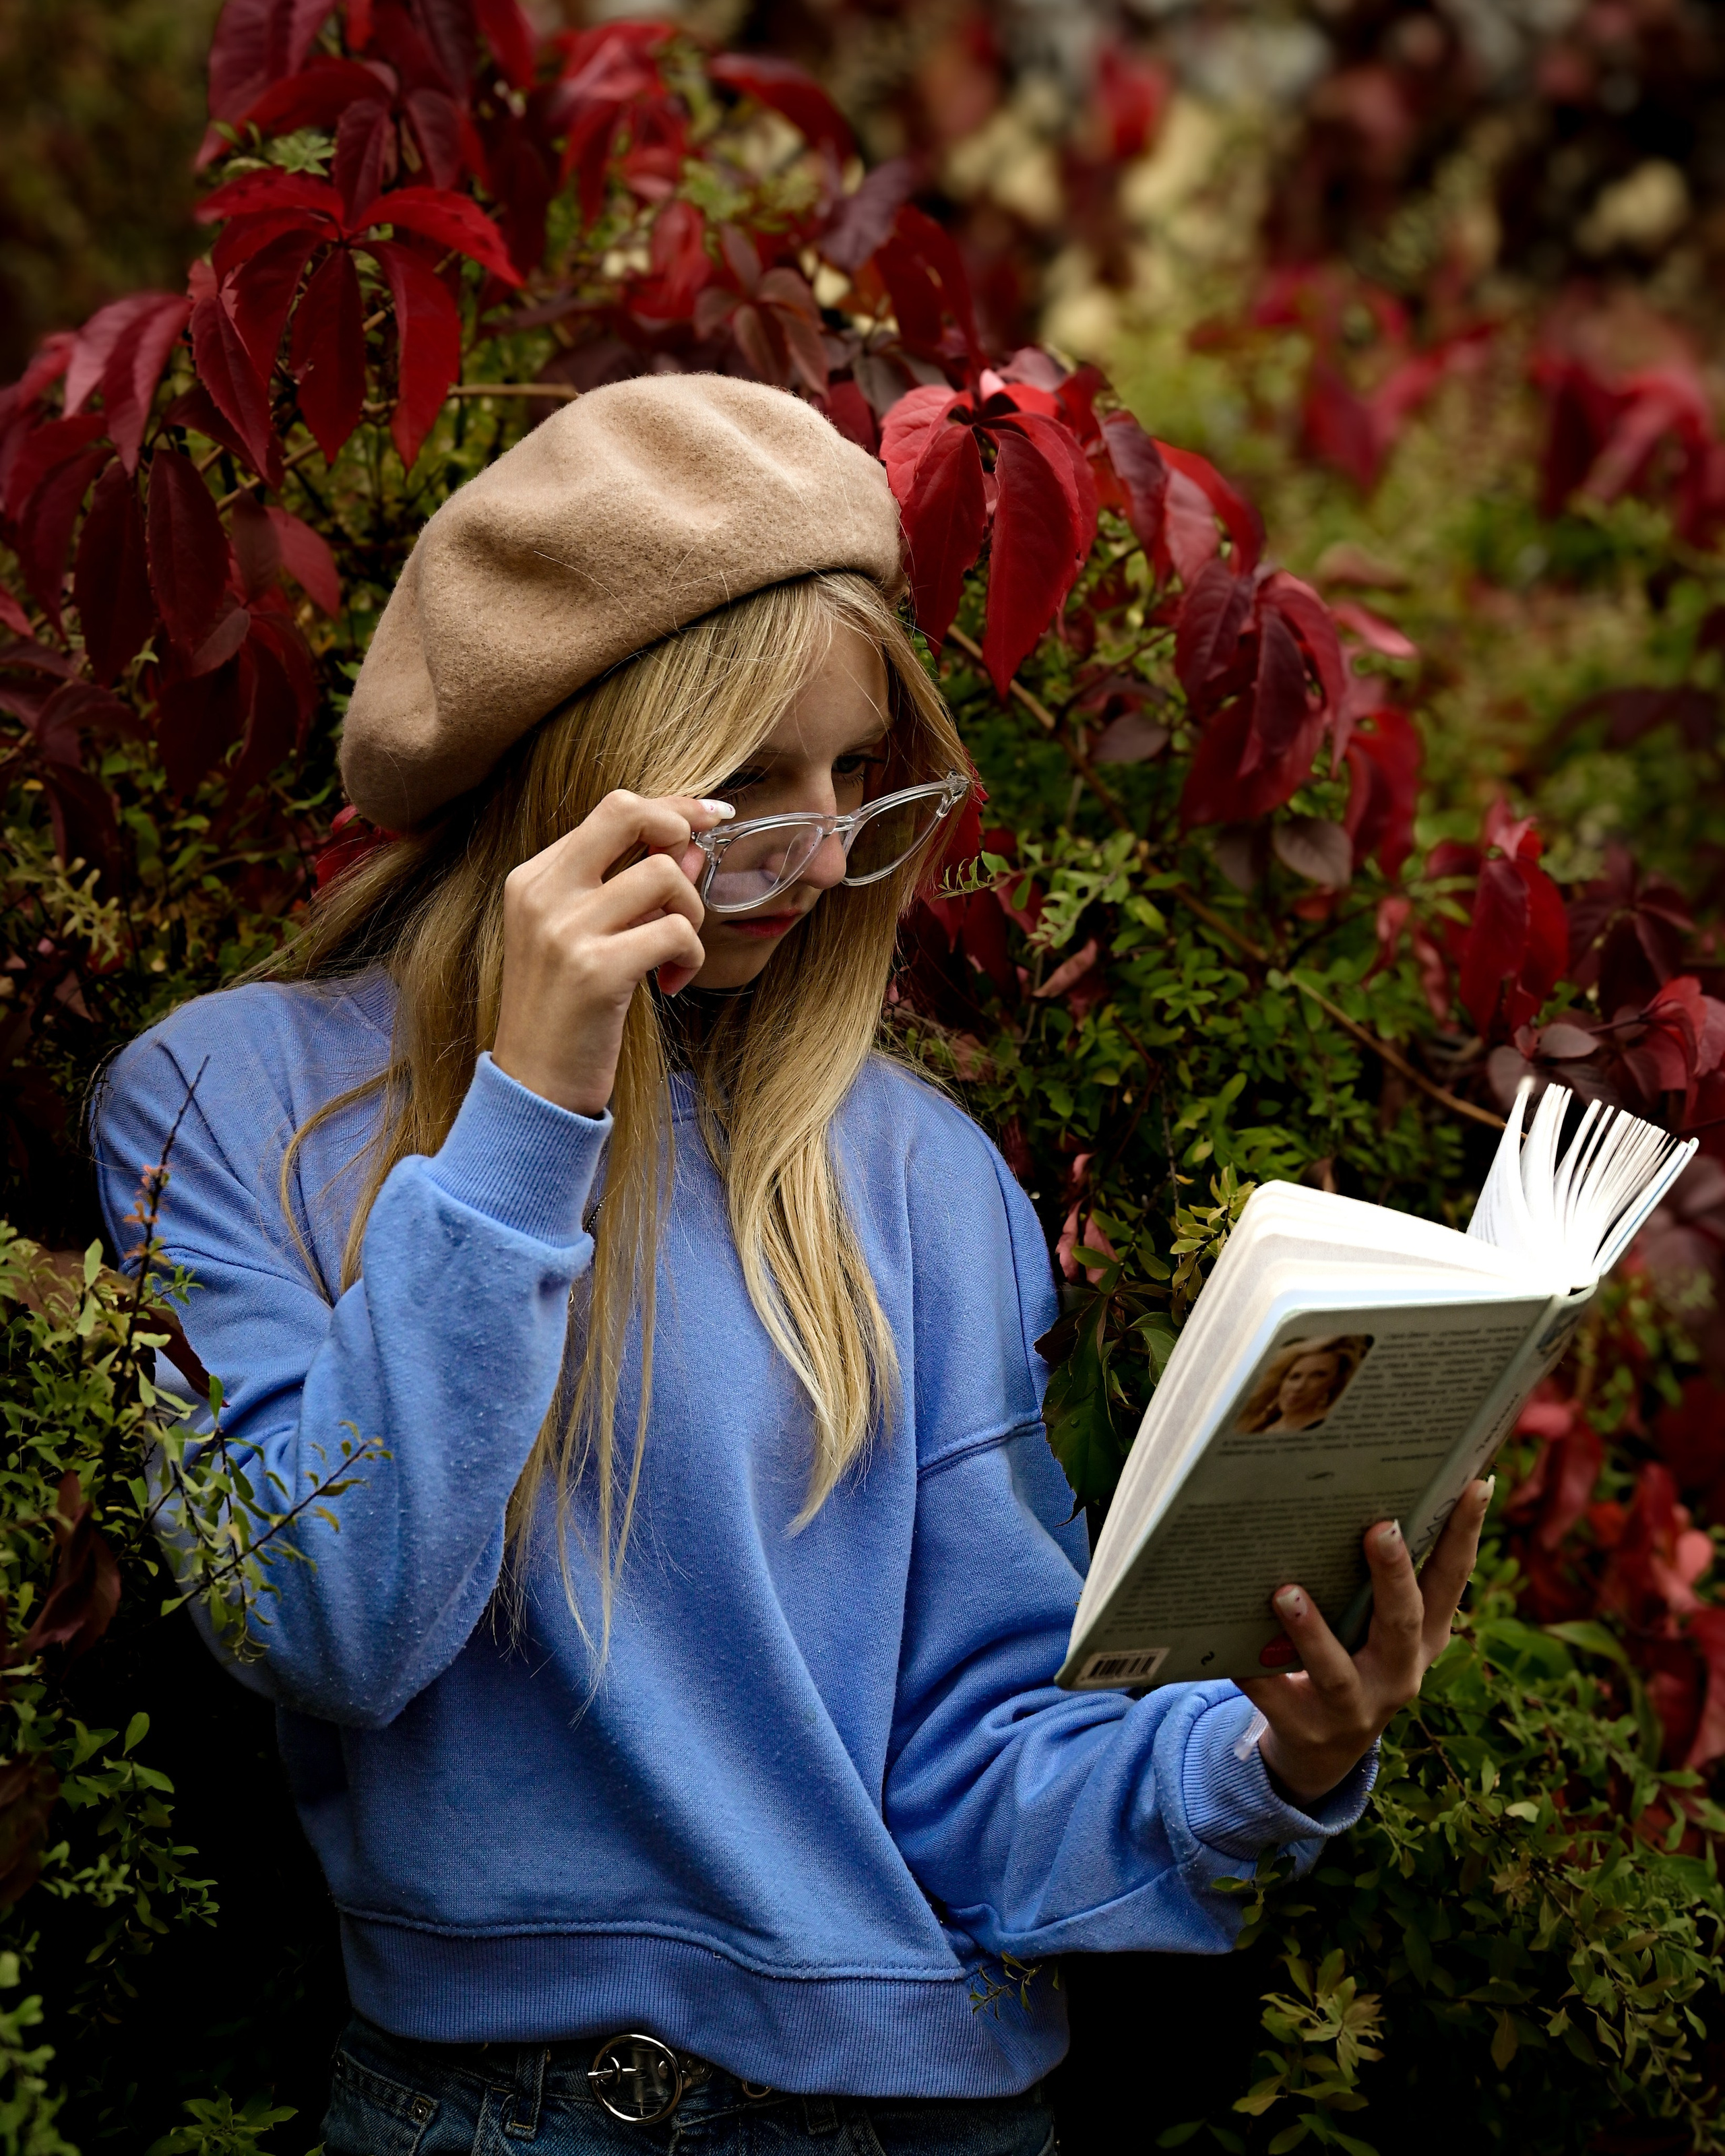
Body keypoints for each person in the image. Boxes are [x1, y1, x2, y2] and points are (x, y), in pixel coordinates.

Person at [94, 377, 1490, 2156]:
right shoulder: (235, 1099)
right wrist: (534, 1104)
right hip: (497, 2115)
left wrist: (1270, 1759)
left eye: (855, 778)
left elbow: (975, 1769)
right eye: (748, 781)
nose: (825, 855)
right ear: (573, 769)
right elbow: (330, 1620)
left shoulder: (914, 1175)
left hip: (937, 2118)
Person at [1240, 1336, 1369, 1434]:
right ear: (1282, 1380)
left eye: (1318, 1376)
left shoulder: (1327, 1427)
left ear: (1335, 1382)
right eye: (1295, 1377)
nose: (1299, 1387)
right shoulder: (1260, 1424)